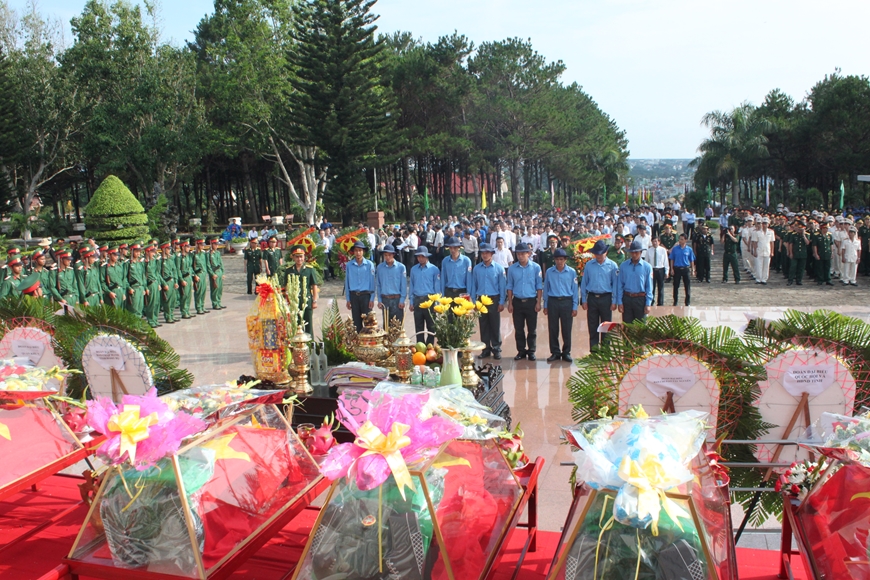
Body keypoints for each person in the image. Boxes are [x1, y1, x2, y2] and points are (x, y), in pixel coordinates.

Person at [506, 243, 543, 361]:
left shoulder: (536, 267)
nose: (520, 256)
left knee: (532, 329)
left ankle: (531, 350)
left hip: (531, 301)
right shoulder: (512, 268)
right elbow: (510, 286)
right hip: (517, 301)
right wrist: (510, 303)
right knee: (519, 328)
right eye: (518, 254)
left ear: (529, 253)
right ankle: (521, 350)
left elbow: (539, 286)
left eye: (523, 253)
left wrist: (538, 302)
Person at [580, 240, 618, 350]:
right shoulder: (589, 265)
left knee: (606, 326)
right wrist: (584, 299)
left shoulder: (612, 266)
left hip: (606, 298)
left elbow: (615, 284)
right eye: (597, 253)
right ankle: (594, 350)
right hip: (592, 298)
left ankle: (606, 350)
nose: (599, 255)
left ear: (606, 252)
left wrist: (614, 301)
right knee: (593, 325)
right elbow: (584, 283)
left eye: (601, 253)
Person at [543, 247, 578, 362]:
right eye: (557, 259)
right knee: (553, 328)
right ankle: (555, 352)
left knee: (566, 328)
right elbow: (546, 288)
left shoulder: (572, 272)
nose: (559, 261)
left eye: (561, 259)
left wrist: (574, 306)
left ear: (565, 260)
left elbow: (575, 290)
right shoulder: (549, 272)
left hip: (566, 301)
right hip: (553, 301)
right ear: (554, 260)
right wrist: (546, 305)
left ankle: (566, 352)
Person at [472, 243, 506, 360]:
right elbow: (474, 286)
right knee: (484, 325)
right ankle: (485, 349)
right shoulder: (477, 269)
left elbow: (502, 287)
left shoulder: (499, 268)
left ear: (492, 254)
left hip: (494, 299)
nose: (485, 255)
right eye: (483, 253)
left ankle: (496, 348)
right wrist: (474, 302)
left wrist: (502, 302)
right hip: (481, 300)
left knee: (495, 325)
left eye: (487, 253)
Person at [616, 240, 653, 324]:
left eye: (636, 252)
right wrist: (620, 302)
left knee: (640, 327)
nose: (634, 254)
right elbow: (620, 285)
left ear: (640, 252)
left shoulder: (647, 267)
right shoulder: (623, 266)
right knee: (627, 326)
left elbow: (649, 287)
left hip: (640, 299)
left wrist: (648, 303)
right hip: (627, 298)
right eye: (632, 252)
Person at [408, 246, 440, 343]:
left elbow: (437, 287)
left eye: (422, 256)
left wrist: (437, 304)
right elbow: (411, 286)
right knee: (419, 325)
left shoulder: (434, 269)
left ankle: (429, 346)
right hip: (417, 299)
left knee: (431, 326)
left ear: (427, 257)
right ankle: (420, 346)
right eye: (418, 256)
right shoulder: (414, 269)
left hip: (429, 299)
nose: (420, 258)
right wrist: (411, 301)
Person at [286, 246, 320, 334]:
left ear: (304, 257)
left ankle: (310, 346)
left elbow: (314, 285)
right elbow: (286, 287)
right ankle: (297, 346)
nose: (299, 259)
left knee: (308, 327)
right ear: (293, 257)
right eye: (296, 256)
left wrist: (315, 300)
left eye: (301, 256)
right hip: (294, 302)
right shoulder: (289, 270)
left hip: (306, 301)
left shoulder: (309, 269)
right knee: (295, 326)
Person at [344, 240, 376, 332]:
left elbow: (372, 282)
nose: (358, 253)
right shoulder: (349, 265)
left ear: (363, 252)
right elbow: (347, 282)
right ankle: (358, 344)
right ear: (353, 252)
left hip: (366, 296)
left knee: (368, 324)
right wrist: (348, 299)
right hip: (354, 296)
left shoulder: (369, 265)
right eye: (356, 250)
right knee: (356, 324)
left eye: (360, 250)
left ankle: (368, 344)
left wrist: (372, 298)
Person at [375, 244, 407, 327]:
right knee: (386, 326)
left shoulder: (401, 267)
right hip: (385, 300)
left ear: (393, 255)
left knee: (398, 326)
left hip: (396, 299)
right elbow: (378, 285)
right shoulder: (380, 267)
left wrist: (402, 300)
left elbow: (403, 285)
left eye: (389, 255)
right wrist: (379, 300)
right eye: (385, 255)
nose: (387, 257)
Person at [670, 234, 696, 306]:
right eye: (679, 239)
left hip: (685, 269)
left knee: (687, 286)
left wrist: (693, 269)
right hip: (677, 269)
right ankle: (675, 301)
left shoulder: (689, 249)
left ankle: (687, 302)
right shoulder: (675, 249)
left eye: (682, 239)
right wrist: (671, 269)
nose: (680, 240)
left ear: (685, 240)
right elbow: (672, 259)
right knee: (676, 286)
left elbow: (692, 260)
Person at [159, 242, 179, 323]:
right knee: (167, 301)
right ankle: (168, 316)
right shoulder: (160, 260)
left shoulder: (170, 259)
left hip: (172, 281)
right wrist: (163, 283)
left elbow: (174, 270)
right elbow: (158, 273)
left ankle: (171, 315)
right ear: (163, 249)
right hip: (166, 282)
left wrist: (176, 281)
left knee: (173, 300)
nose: (169, 250)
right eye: (167, 249)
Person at [646, 237, 669, 306]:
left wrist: (666, 272)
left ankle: (660, 303)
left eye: (656, 241)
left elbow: (666, 262)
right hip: (652, 270)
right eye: (653, 241)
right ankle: (651, 302)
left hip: (660, 269)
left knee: (661, 287)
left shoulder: (663, 250)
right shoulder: (649, 251)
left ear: (659, 242)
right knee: (651, 287)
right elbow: (646, 262)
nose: (654, 243)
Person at [752, 217, 775, 284]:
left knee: (766, 265)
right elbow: (754, 242)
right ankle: (758, 279)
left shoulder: (771, 232)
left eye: (766, 223)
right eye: (763, 223)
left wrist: (772, 251)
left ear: (768, 224)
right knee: (758, 265)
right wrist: (755, 251)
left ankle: (764, 279)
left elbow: (772, 242)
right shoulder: (757, 232)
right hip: (759, 250)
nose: (764, 225)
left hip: (767, 250)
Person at [126, 244, 146, 318]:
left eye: (139, 252)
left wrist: (144, 287)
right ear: (132, 252)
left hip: (140, 288)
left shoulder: (139, 263)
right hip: (134, 289)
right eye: (136, 251)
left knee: (140, 309)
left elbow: (142, 276)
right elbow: (124, 278)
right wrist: (129, 288)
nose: (138, 253)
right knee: (134, 310)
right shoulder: (128, 264)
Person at [788, 222, 809, 286]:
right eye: (799, 229)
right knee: (793, 267)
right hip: (795, 253)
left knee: (801, 268)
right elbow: (791, 244)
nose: (800, 230)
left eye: (801, 229)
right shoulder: (793, 235)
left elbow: (807, 243)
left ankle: (799, 280)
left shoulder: (806, 235)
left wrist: (803, 235)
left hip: (802, 254)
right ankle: (790, 280)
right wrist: (790, 253)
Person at [177, 241, 194, 318]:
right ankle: (184, 312)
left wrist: (192, 278)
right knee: (184, 296)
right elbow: (178, 269)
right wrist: (181, 280)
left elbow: (190, 267)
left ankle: (187, 310)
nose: (189, 248)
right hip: (184, 278)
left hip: (189, 277)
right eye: (187, 246)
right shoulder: (179, 257)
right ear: (183, 247)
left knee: (189, 296)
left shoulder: (188, 256)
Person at [207, 237, 225, 310]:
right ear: (212, 244)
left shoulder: (217, 253)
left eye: (217, 244)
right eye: (215, 244)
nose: (217, 246)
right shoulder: (209, 254)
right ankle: (215, 303)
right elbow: (208, 265)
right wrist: (212, 274)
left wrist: (223, 272)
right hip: (214, 272)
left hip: (219, 272)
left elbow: (221, 263)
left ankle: (219, 302)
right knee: (215, 289)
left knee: (220, 288)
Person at [192, 239, 209, 314]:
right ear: (197, 245)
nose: (203, 246)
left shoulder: (203, 254)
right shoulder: (193, 254)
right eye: (201, 245)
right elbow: (191, 266)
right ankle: (198, 307)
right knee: (198, 291)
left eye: (203, 245)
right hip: (198, 274)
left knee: (203, 291)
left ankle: (202, 306)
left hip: (203, 274)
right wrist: (194, 275)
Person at [813, 222, 834, 286]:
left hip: (827, 253)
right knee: (820, 267)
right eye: (825, 228)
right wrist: (815, 253)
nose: (826, 229)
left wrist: (832, 252)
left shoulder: (829, 235)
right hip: (820, 253)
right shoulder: (816, 235)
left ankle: (828, 279)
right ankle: (820, 280)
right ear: (822, 228)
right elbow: (814, 245)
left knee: (827, 267)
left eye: (827, 228)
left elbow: (831, 244)